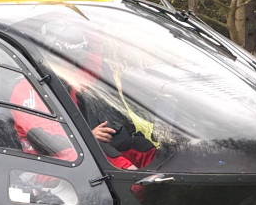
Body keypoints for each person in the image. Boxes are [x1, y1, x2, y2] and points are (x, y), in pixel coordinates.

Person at [11, 23, 157, 170]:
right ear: (49, 56)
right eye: (67, 60)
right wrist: (88, 136)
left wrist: (86, 21)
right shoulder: (27, 91)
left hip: (79, 148)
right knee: (104, 154)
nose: (73, 65)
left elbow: (94, 62)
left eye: (75, 60)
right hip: (48, 165)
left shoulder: (66, 77)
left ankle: (167, 185)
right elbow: (45, 140)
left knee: (141, 148)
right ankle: (140, 188)